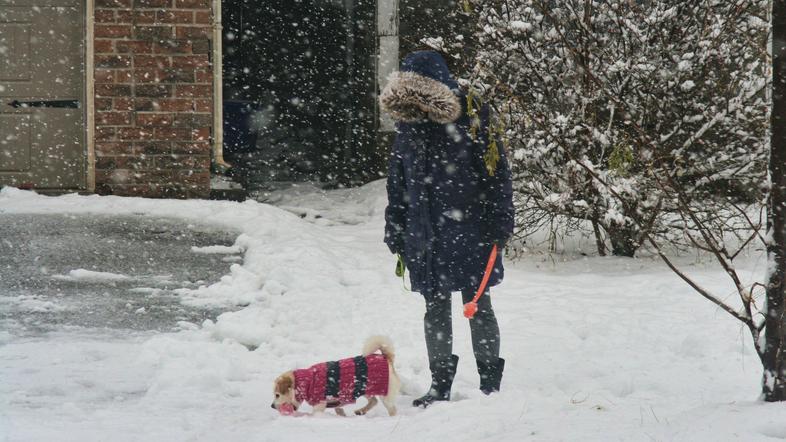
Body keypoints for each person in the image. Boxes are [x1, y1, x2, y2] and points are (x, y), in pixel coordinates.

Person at [379, 50, 514, 408]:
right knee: (434, 307)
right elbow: (398, 182)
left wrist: (500, 222)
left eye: (421, 100)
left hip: (473, 232)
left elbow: (497, 175)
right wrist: (395, 226)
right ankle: (440, 384)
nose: (416, 110)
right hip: (425, 235)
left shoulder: (474, 120)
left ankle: (490, 384)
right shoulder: (406, 129)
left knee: (478, 304)